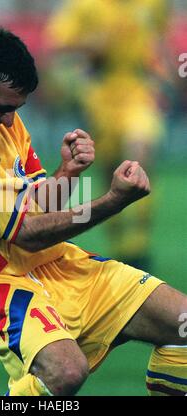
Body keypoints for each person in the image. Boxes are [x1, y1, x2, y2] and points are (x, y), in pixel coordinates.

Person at [0, 28, 187, 396]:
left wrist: (67, 172)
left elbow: (36, 203)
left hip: (53, 261)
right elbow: (28, 232)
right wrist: (113, 200)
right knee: (65, 373)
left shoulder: (0, 117)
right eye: (3, 109)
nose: (8, 122)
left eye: (15, 110)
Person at [45, 0, 169, 269]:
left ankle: (138, 244)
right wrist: (91, 46)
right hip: (100, 96)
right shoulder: (84, 6)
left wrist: (163, 73)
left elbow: (158, 38)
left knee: (140, 153)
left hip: (139, 91)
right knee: (110, 171)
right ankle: (121, 246)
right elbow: (59, 45)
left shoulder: (155, 3)